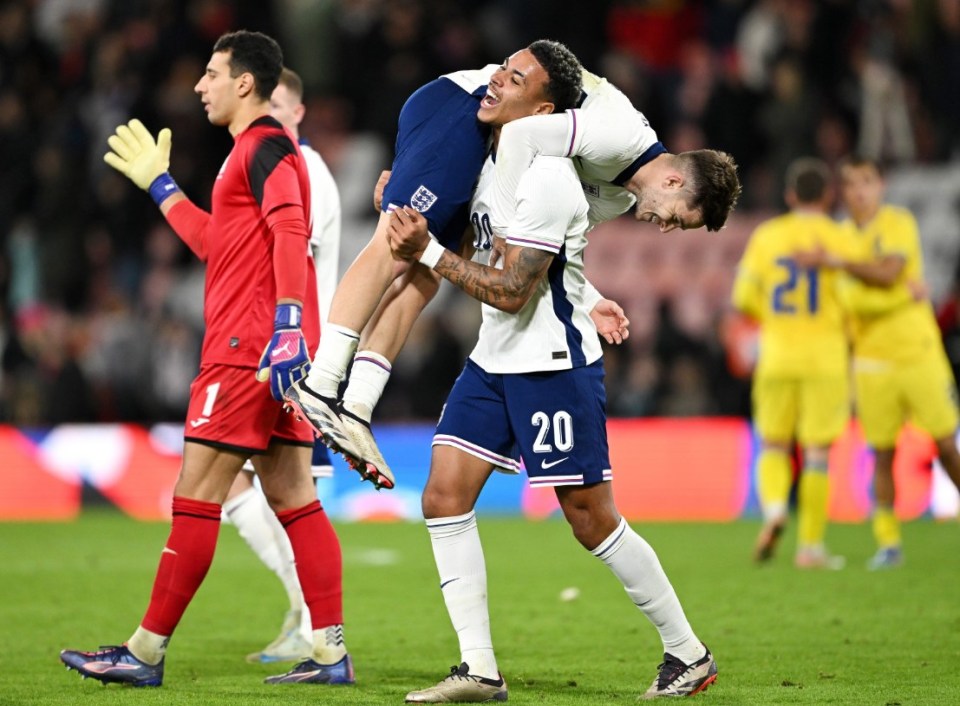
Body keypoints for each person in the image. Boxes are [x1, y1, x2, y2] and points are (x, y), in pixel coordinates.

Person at [386, 43, 717, 702]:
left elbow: (511, 289)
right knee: (443, 496)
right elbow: (503, 246)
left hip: (551, 365)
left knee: (591, 520)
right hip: (495, 358)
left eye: (507, 83)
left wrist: (427, 251)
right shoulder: (499, 163)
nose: (491, 89)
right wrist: (402, 187)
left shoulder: (548, 180)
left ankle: (688, 654)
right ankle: (478, 670)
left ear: (539, 110)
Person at [284, 51, 741, 491]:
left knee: (425, 273)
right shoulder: (618, 136)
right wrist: (499, 220)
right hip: (466, 104)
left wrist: (588, 298)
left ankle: (357, 405)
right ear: (674, 181)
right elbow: (524, 137)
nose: (667, 228)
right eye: (678, 217)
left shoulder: (619, 195)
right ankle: (322, 382)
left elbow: (552, 246)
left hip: (492, 142)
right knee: (396, 239)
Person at [60, 31, 353, 686]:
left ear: (244, 83)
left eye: (212, 74)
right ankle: (331, 653)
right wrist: (161, 186)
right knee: (296, 500)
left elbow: (289, 231)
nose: (200, 86)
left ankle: (144, 652)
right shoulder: (245, 155)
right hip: (267, 351)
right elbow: (220, 245)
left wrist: (285, 324)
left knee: (195, 498)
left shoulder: (266, 145)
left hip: (244, 352)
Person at [221, 66, 343, 664]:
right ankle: (306, 617)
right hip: (268, 345)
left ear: (295, 111)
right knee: (256, 491)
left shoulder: (303, 169)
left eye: (281, 109)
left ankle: (315, 625)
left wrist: (291, 335)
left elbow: (291, 251)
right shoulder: (274, 161)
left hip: (293, 350)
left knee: (290, 496)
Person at [794, 155, 960, 570]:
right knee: (883, 454)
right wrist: (901, 291)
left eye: (866, 182)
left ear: (880, 186)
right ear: (842, 191)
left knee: (945, 446)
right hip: (870, 364)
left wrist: (847, 268)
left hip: (918, 353)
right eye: (851, 184)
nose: (859, 191)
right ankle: (888, 543)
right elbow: (863, 296)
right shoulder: (838, 237)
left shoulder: (898, 222)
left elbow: (887, 275)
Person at [731, 157, 852, 569]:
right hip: (826, 356)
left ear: (790, 195)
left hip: (778, 353)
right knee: (817, 453)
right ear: (829, 194)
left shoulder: (769, 235)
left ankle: (775, 510)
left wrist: (777, 317)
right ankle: (810, 547)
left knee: (774, 444)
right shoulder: (840, 238)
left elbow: (744, 298)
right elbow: (856, 301)